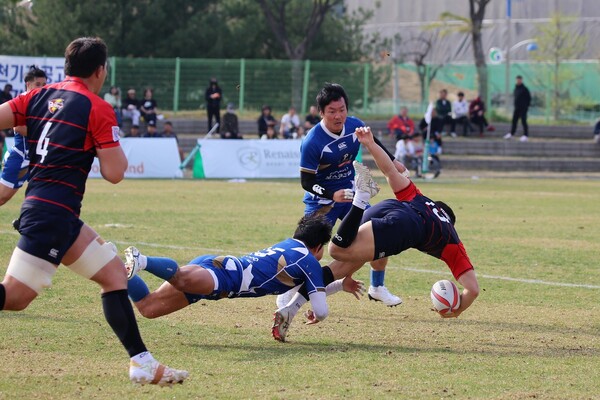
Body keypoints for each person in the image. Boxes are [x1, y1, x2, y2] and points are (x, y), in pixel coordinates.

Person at [0, 37, 188, 386]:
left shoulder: (39, 95)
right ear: (100, 70)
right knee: (13, 297)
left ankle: (142, 362)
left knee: (115, 274)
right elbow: (115, 173)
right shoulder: (96, 107)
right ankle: (142, 362)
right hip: (52, 214)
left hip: (55, 212)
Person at [272, 126, 480, 340]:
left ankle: (290, 307)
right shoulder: (451, 238)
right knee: (337, 251)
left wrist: (370, 144)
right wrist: (456, 310)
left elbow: (391, 172)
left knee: (344, 265)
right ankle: (361, 197)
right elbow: (472, 290)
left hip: (390, 207)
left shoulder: (422, 199)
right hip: (405, 227)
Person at [123, 214, 362, 343]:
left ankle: (115, 267)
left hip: (222, 274)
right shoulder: (308, 261)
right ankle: (141, 260)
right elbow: (320, 309)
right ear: (318, 247)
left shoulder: (290, 247)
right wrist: (322, 308)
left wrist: (340, 284)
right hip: (225, 276)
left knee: (149, 307)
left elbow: (303, 290)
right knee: (181, 279)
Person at [294, 82, 405, 308]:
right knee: (310, 253)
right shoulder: (313, 141)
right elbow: (306, 181)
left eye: (342, 109)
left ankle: (377, 287)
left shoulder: (355, 125)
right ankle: (292, 292)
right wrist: (330, 194)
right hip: (321, 202)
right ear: (321, 112)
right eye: (332, 111)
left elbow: (374, 143)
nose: (338, 116)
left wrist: (394, 161)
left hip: (351, 197)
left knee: (377, 234)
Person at [0, 66, 47, 206]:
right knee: (2, 198)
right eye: (37, 85)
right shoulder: (23, 101)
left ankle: (29, 222)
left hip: (39, 160)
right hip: (21, 158)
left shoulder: (45, 103)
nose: (41, 88)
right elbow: (18, 127)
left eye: (44, 85)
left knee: (47, 198)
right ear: (28, 84)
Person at [504, 75, 532, 142]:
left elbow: (529, 98)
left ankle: (525, 135)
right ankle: (511, 134)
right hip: (517, 108)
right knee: (514, 121)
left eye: (519, 79)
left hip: (523, 108)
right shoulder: (516, 88)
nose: (518, 81)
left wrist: (526, 106)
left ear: (521, 80)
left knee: (523, 121)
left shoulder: (525, 89)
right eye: (517, 79)